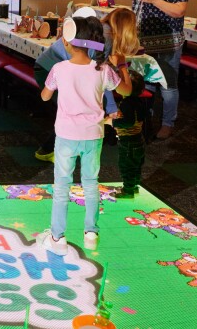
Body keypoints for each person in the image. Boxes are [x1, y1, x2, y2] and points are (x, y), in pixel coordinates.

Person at [37, 16, 132, 255]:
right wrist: (121, 64)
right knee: (90, 183)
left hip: (67, 135)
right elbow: (125, 90)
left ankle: (57, 237)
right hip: (93, 135)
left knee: (62, 185)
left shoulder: (59, 69)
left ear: (67, 42)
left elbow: (45, 97)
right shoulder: (103, 70)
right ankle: (91, 232)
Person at [33, 7, 141, 162]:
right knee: (73, 111)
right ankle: (49, 150)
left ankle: (62, 148)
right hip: (50, 70)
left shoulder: (101, 30)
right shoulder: (106, 37)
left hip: (47, 67)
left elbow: (98, 73)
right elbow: (99, 73)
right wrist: (111, 107)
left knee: (73, 111)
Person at [134, 0, 189, 140]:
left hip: (168, 45)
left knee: (168, 85)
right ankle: (147, 119)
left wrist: (155, 0)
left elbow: (178, 11)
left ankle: (167, 123)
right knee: (147, 83)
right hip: (145, 45)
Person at [110, 71, 147, 199]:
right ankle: (134, 185)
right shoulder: (140, 101)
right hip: (138, 139)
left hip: (128, 141)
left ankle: (128, 190)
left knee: (127, 166)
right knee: (136, 164)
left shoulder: (126, 103)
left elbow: (128, 122)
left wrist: (113, 122)